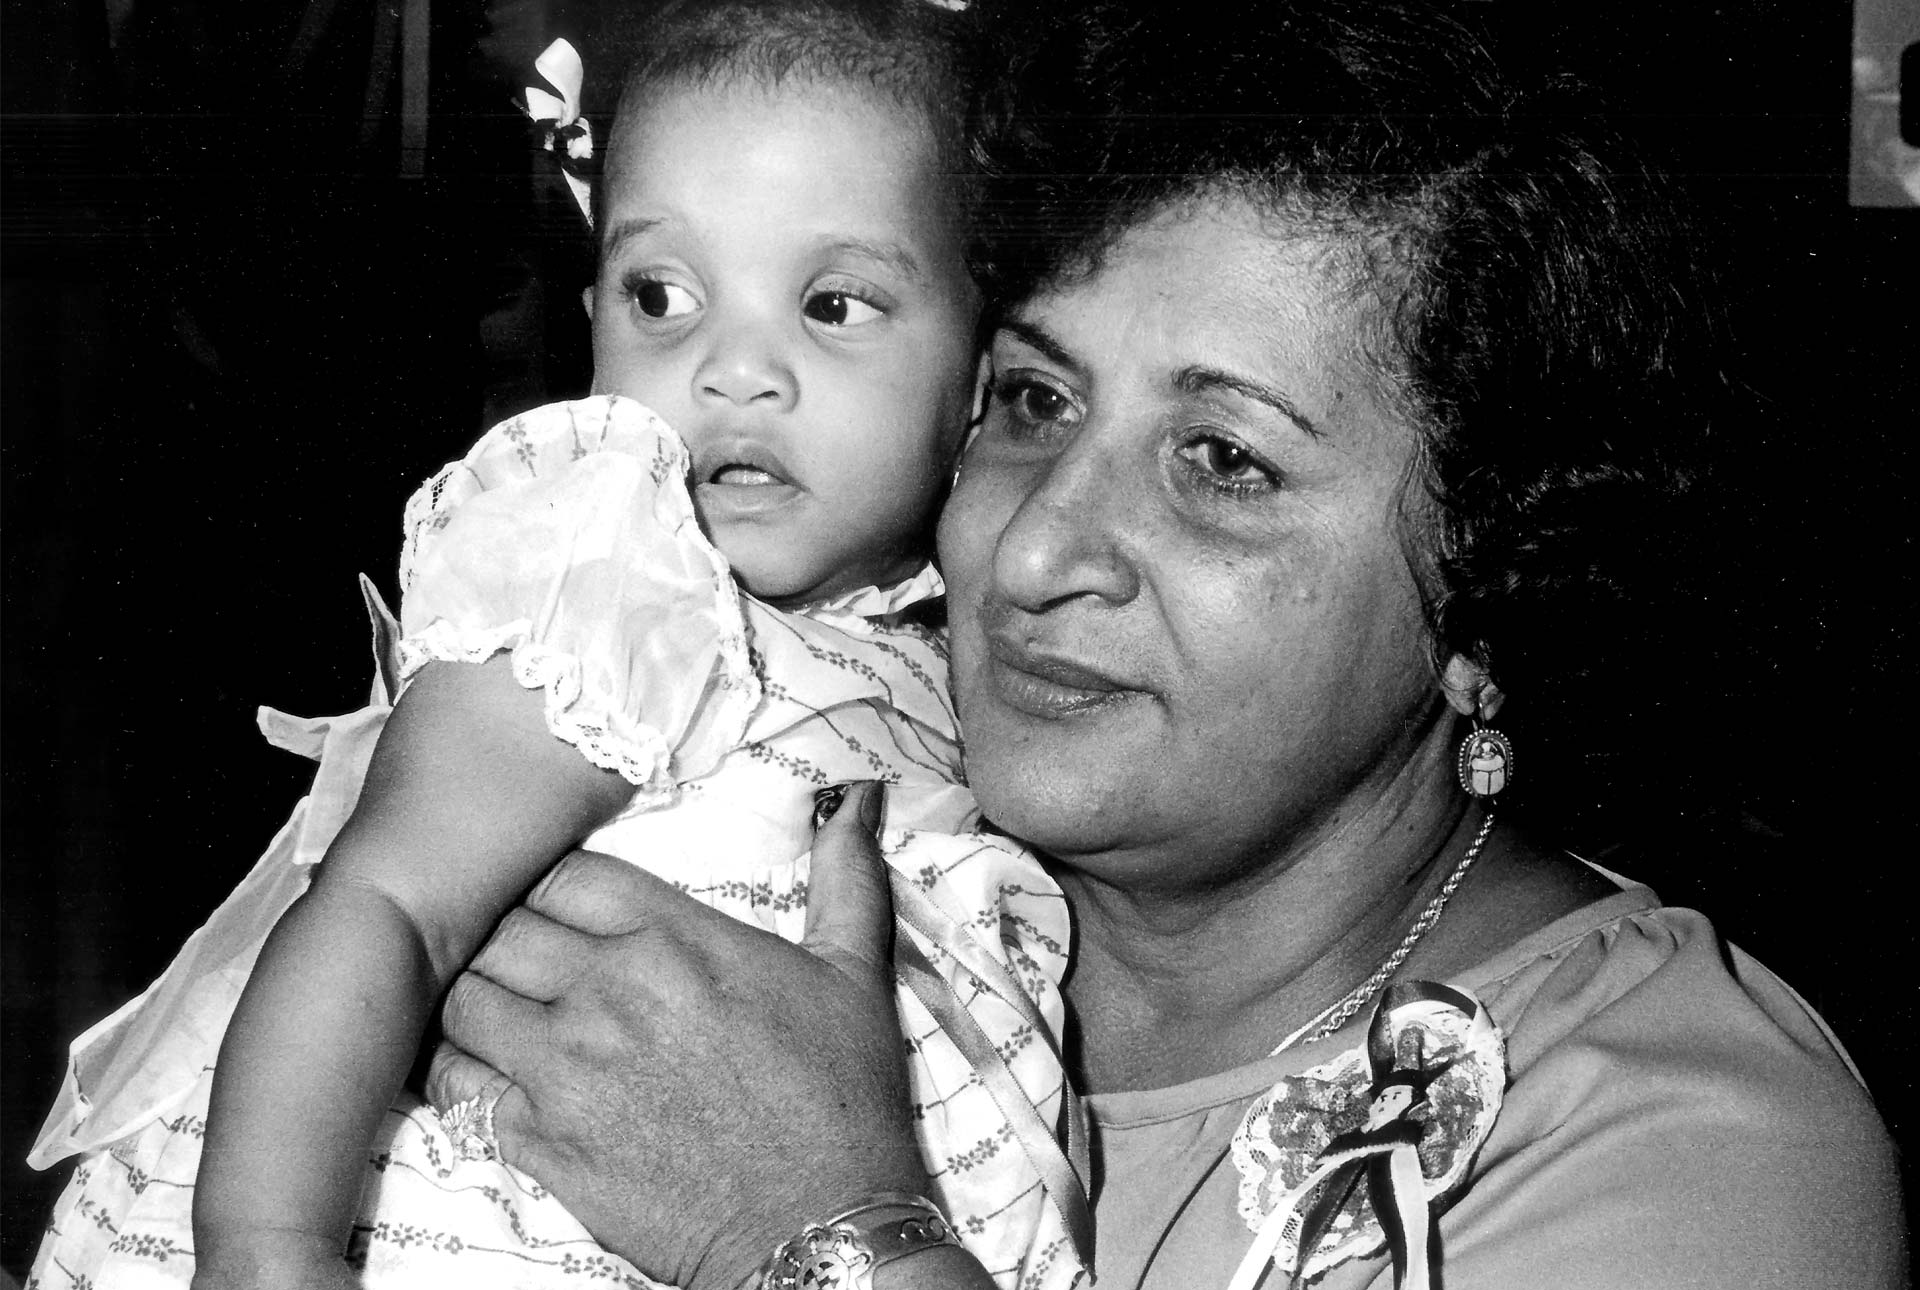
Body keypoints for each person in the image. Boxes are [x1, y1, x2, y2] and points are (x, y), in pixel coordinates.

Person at [419, 2, 1910, 1287]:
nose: (1035, 548)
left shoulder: (1688, 1138)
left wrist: (817, 1225)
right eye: (1035, 403)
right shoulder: (741, 833)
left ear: (1493, 597)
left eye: (1223, 461)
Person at [25, 3, 1089, 1288]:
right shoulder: (612, 563)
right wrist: (267, 1246)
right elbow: (385, 902)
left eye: (831, 304)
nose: (733, 369)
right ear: (591, 319)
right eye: (662, 297)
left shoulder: (952, 643)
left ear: (978, 371)